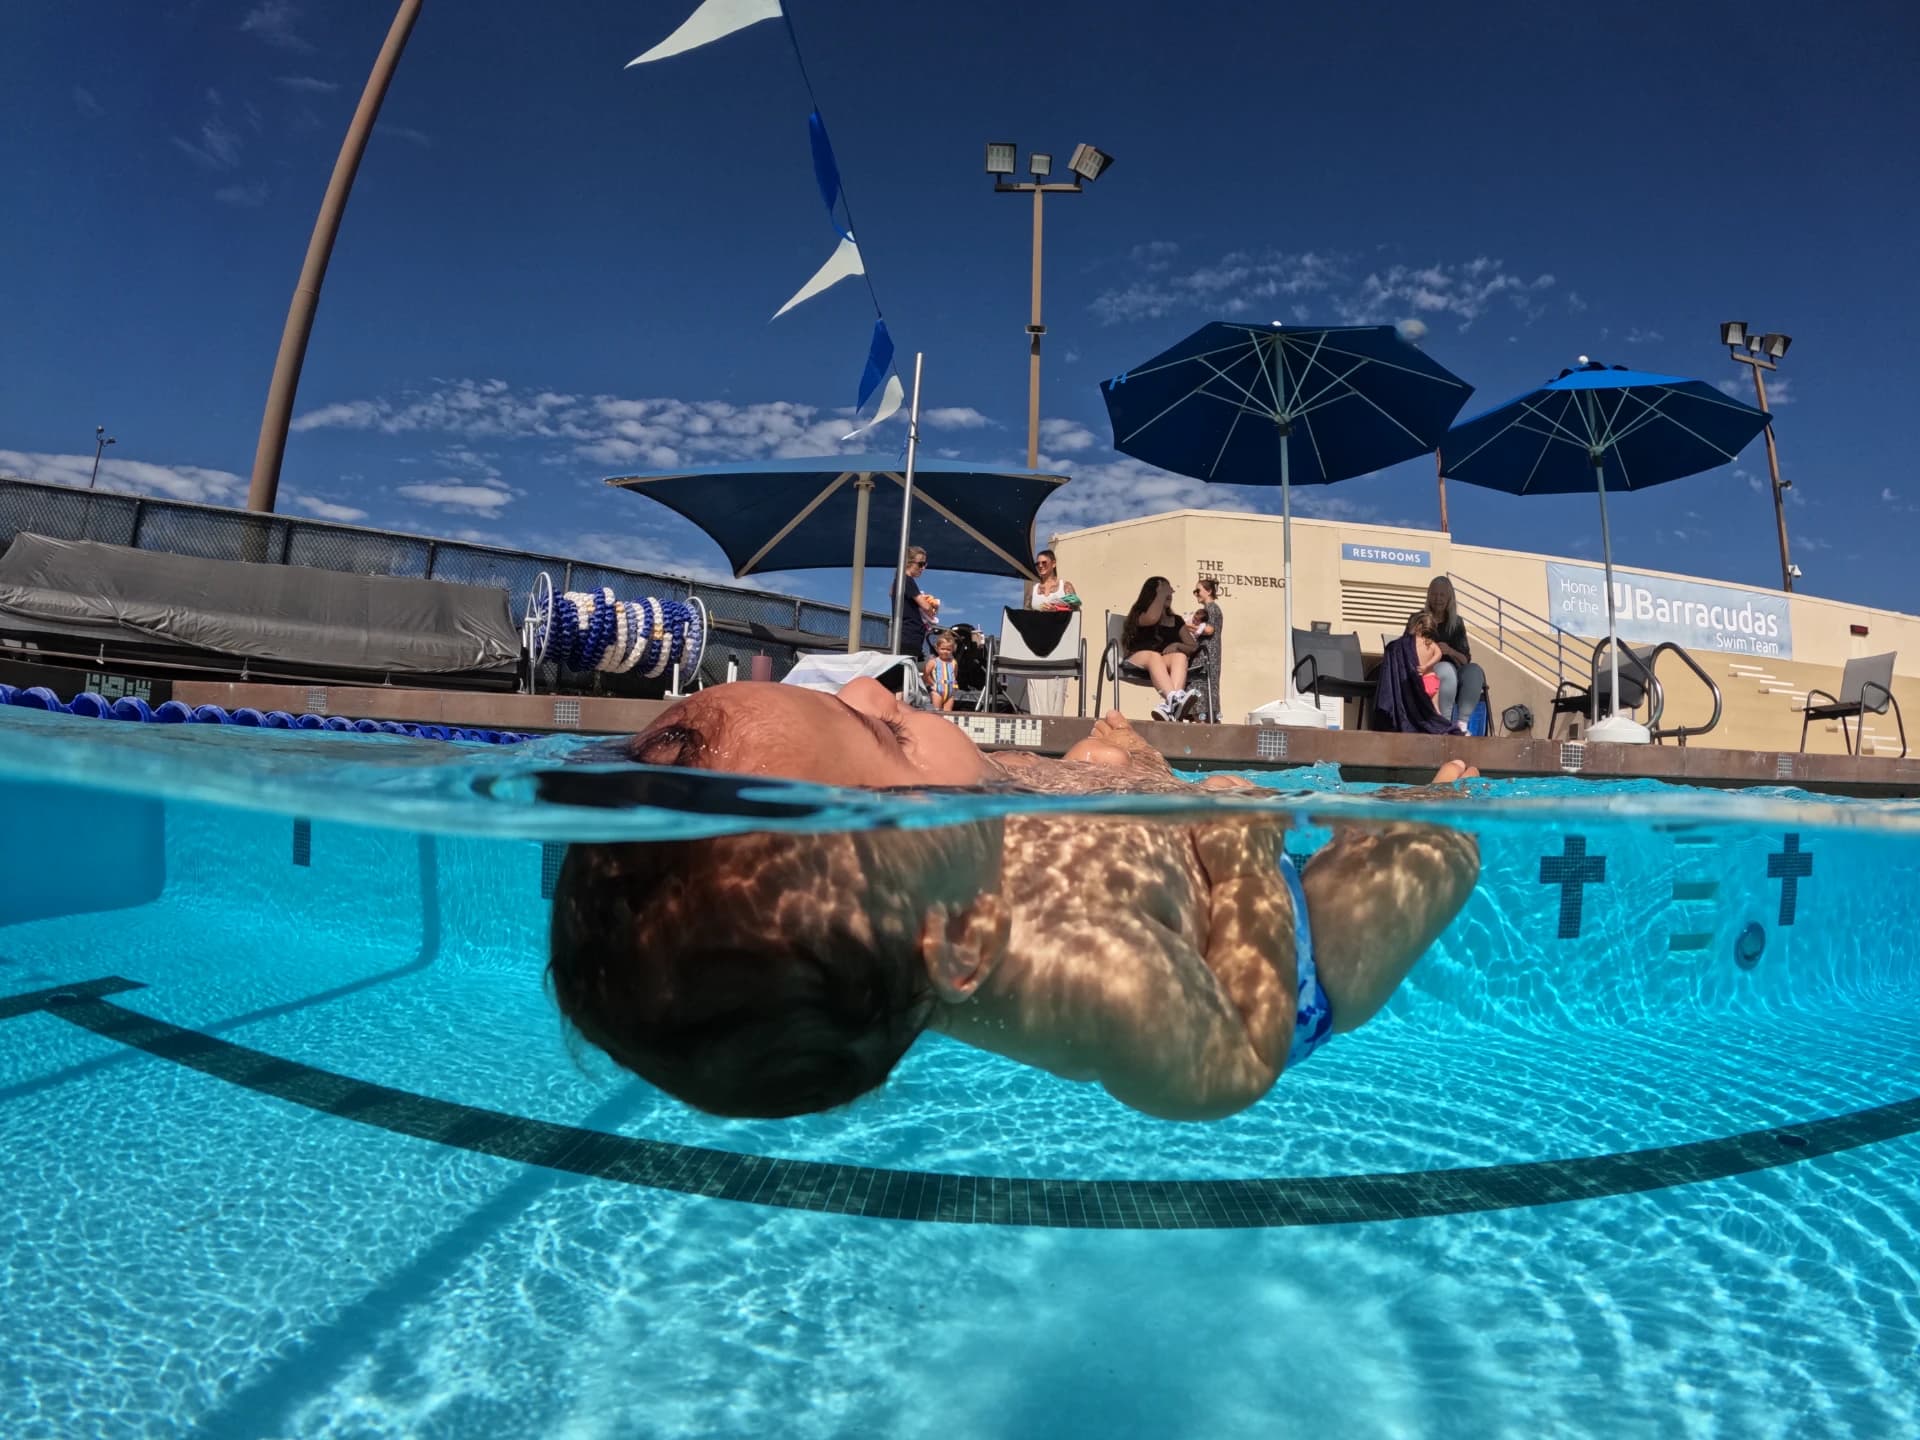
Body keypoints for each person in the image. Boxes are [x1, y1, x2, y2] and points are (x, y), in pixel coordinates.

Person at [550, 688, 1482, 1122]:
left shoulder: (940, 854)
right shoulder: (1096, 974)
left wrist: (1128, 777)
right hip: (1279, 960)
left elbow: (1009, 807)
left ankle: (1125, 771)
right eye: (886, 730)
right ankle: (1425, 813)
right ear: (962, 936)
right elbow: (1238, 1060)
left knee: (1079, 770)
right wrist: (1239, 856)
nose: (876, 690)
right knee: (1443, 854)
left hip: (1161, 845)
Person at [1406, 577, 1486, 736]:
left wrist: (1450, 651)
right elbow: (1406, 649)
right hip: (1427, 671)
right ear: (1428, 596)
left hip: (1455, 671)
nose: (1438, 599)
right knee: (1446, 669)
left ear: (1449, 598)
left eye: (1442, 595)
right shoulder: (1418, 619)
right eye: (1434, 594)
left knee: (1475, 671)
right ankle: (1444, 724)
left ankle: (1462, 723)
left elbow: (1465, 659)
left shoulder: (1456, 623)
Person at [1121, 576, 1200, 722]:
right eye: (1164, 590)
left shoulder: (1176, 620)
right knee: (1154, 656)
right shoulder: (1140, 612)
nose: (1169, 593)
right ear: (1153, 593)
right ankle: (1174, 701)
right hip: (1137, 657)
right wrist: (1161, 592)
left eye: (1169, 590)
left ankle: (1172, 706)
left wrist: (1178, 645)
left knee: (1180, 656)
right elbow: (1152, 618)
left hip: (1161, 660)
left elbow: (1192, 646)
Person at [1023, 548, 1080, 716]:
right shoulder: (1033, 589)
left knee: (1057, 688)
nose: (1040, 566)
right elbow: (1026, 614)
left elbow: (1076, 606)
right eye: (1038, 563)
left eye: (1044, 563)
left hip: (1059, 641)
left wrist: (1057, 607)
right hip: (1036, 642)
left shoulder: (1064, 586)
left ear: (1053, 564)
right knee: (1036, 687)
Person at [892, 546, 940, 657]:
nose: (923, 568)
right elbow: (926, 607)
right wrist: (933, 607)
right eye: (921, 564)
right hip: (910, 635)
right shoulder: (907, 580)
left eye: (925, 564)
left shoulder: (899, 581)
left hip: (904, 635)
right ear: (908, 563)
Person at [1188, 577, 1224, 722]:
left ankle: (1204, 720)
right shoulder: (1210, 609)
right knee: (1206, 686)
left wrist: (1187, 627)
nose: (1196, 594)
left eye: (1198, 590)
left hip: (1207, 655)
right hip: (1207, 654)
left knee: (1201, 685)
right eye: (1194, 591)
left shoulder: (1211, 608)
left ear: (1208, 591)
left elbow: (1209, 630)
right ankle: (1206, 719)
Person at [924, 630, 959, 713]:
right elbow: (926, 674)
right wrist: (932, 684)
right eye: (942, 649)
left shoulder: (953, 662)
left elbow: (955, 674)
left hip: (950, 691)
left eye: (948, 649)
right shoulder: (933, 661)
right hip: (937, 690)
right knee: (937, 712)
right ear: (937, 648)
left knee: (948, 714)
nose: (945, 651)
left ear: (952, 650)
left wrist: (955, 684)